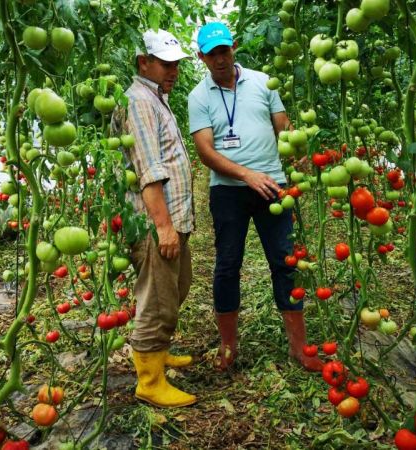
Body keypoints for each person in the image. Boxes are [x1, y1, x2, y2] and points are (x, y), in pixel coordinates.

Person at [187, 22, 323, 372]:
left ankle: (299, 346)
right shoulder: (198, 97)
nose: (220, 59)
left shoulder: (263, 82)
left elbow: (283, 126)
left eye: (224, 50)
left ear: (233, 47)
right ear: (201, 57)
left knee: (285, 262)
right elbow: (205, 151)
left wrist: (299, 152)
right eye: (212, 54)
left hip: (274, 186)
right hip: (227, 192)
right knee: (227, 265)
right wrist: (246, 174)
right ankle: (228, 347)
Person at [111, 28, 196, 407]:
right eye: (165, 64)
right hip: (154, 222)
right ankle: (149, 381)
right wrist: (163, 226)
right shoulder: (139, 102)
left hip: (170, 217)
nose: (173, 70)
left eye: (176, 64)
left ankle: (158, 354)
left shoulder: (155, 98)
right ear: (143, 63)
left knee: (175, 288)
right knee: (158, 300)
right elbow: (149, 169)